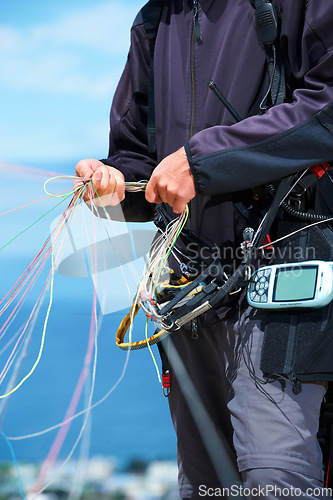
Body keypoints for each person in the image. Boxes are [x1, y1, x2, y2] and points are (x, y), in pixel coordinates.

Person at [75, 1, 333, 498]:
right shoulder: (155, 19)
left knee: (273, 475)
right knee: (207, 483)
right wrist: (113, 184)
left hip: (289, 264)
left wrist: (204, 162)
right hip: (188, 288)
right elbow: (139, 158)